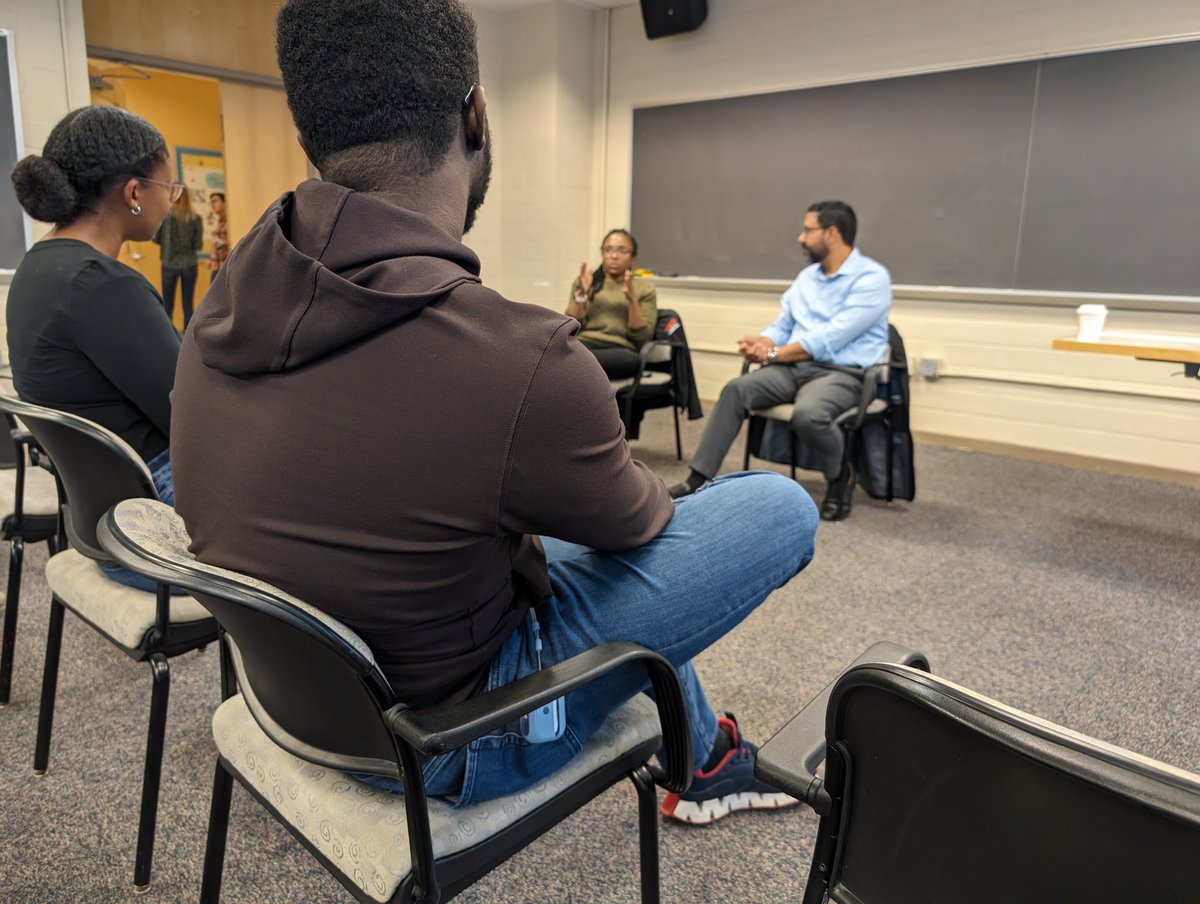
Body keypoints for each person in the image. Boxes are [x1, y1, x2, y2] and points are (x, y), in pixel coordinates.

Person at [169, 0, 818, 826]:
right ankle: (708, 759)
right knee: (773, 508)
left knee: (536, 515)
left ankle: (702, 751)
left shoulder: (217, 311)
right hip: (450, 741)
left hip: (290, 699)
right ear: (476, 115)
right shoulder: (525, 361)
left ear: (310, 139)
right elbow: (638, 527)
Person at [7, 104, 183, 589]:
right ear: (134, 192)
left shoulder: (38, 269)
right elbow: (191, 417)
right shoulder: (99, 284)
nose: (170, 204)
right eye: (168, 190)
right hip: (155, 534)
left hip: (102, 523)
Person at [668, 201, 892, 521]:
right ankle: (696, 479)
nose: (800, 238)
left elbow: (829, 339)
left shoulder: (871, 279)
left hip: (843, 373)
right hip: (794, 368)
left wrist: (772, 354)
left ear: (831, 233)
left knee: (809, 414)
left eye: (807, 230)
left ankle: (839, 476)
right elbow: (784, 325)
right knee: (737, 390)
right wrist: (764, 342)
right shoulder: (807, 278)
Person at [565, 229, 655, 379]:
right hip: (586, 343)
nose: (614, 256)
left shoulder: (644, 289)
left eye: (622, 250)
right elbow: (571, 325)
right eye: (608, 250)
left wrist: (632, 300)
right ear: (602, 254)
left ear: (633, 258)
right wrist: (581, 295)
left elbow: (642, 338)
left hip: (621, 350)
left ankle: (577, 362)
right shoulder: (586, 281)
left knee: (575, 358)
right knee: (560, 350)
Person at [152, 185, 204, 328]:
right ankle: (188, 342)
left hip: (169, 263)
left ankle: (167, 339)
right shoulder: (195, 218)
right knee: (188, 304)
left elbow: (156, 238)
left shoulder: (166, 216)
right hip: (189, 264)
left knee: (167, 305)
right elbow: (198, 245)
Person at [206, 191, 228, 279]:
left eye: (215, 201)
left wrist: (220, 242)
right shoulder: (220, 222)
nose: (212, 204)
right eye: (211, 202)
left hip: (224, 269)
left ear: (224, 202)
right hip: (216, 268)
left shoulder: (231, 222)